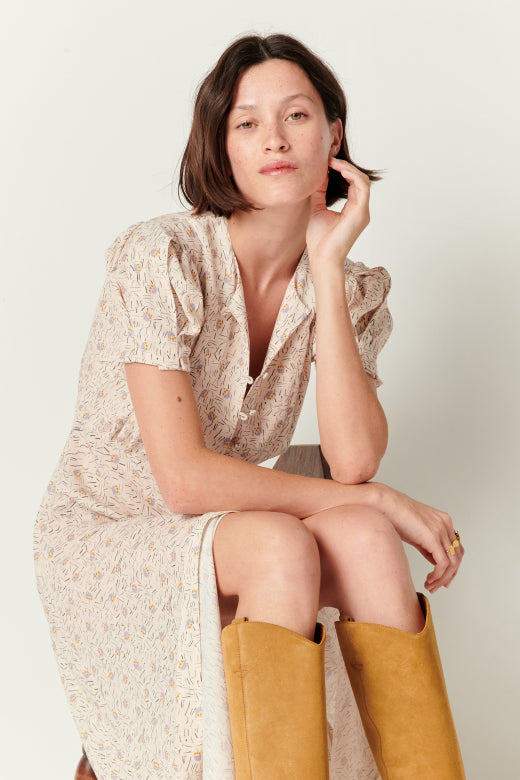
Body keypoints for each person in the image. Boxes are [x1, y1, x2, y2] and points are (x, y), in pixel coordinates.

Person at [34, 32, 466, 780]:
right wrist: (380, 497)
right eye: (246, 122)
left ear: (333, 135)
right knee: (284, 543)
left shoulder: (351, 288)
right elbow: (184, 482)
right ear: (221, 147)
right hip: (110, 535)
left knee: (366, 538)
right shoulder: (161, 258)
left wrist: (325, 266)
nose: (274, 138)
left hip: (226, 524)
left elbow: (354, 458)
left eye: (297, 115)